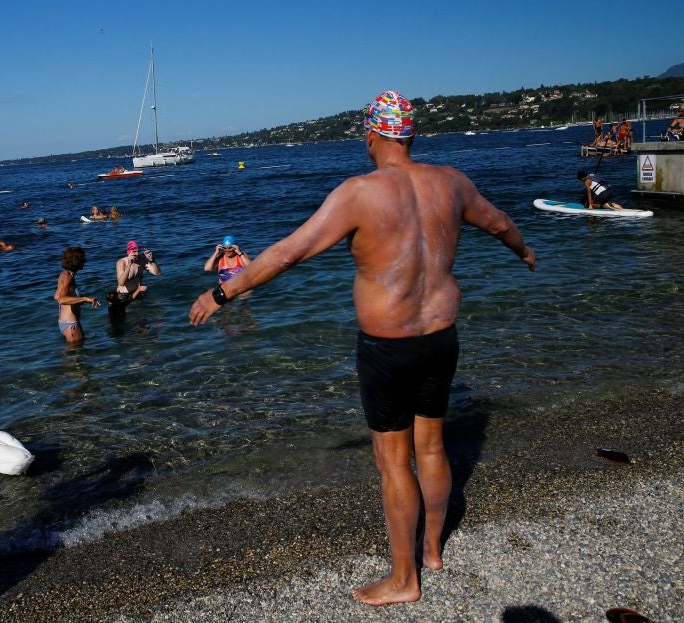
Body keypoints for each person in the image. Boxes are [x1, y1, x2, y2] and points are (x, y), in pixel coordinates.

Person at [189, 90, 535, 606]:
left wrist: (222, 293)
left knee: (393, 461)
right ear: (410, 135)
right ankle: (432, 551)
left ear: (373, 135)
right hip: (441, 337)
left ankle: (404, 579)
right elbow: (500, 222)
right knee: (432, 446)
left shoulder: (359, 192)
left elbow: (289, 252)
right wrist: (524, 251)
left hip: (388, 348)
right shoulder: (452, 182)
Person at [54, 247, 100, 343]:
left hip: (64, 323)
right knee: (78, 351)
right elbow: (61, 299)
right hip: (71, 324)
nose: (85, 261)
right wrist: (84, 298)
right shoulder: (68, 276)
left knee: (72, 351)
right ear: (76, 262)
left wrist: (82, 299)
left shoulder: (63, 274)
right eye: (83, 259)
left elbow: (56, 296)